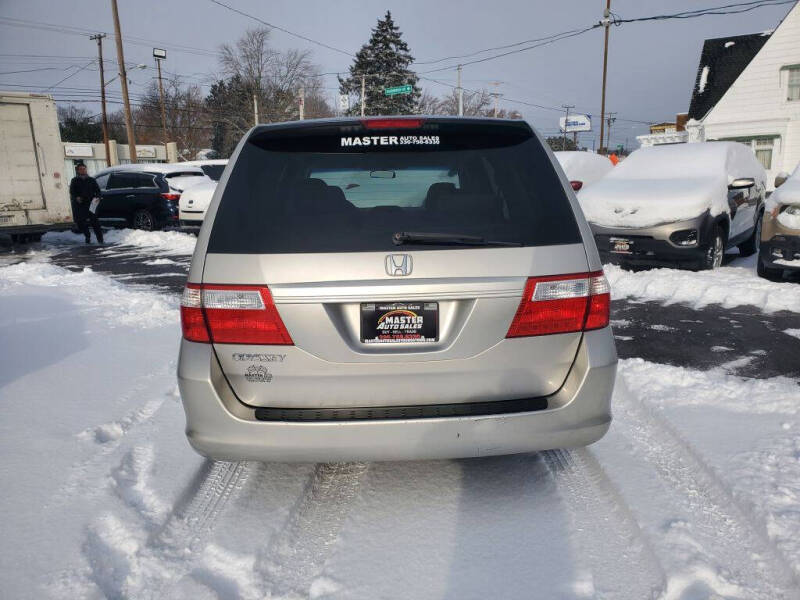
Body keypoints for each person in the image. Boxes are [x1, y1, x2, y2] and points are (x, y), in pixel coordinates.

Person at [69, 164, 104, 244]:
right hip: (80, 204)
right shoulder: (74, 180)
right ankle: (87, 236)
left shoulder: (91, 180)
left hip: (91, 203)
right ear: (77, 171)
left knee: (95, 222)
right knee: (81, 222)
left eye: (84, 169)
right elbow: (72, 192)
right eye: (81, 169)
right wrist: (76, 197)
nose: (83, 170)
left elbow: (98, 191)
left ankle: (100, 240)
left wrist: (98, 197)